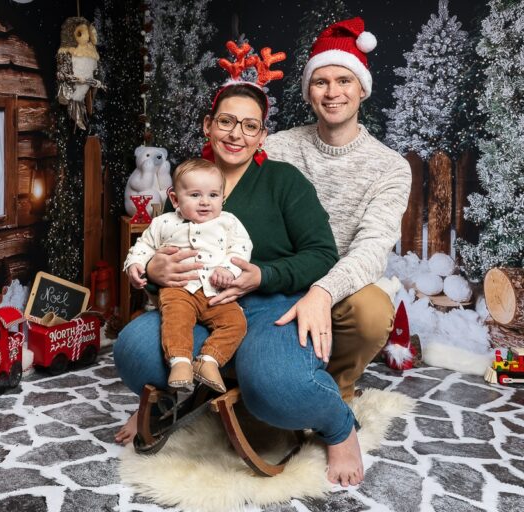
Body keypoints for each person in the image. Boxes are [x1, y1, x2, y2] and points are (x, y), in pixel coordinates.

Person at [113, 72, 373, 484]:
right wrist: (151, 270)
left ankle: (338, 425)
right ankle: (177, 391)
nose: (237, 134)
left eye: (250, 126)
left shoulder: (284, 182)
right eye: (226, 121)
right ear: (208, 125)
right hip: (198, 304)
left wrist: (263, 276)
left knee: (274, 391)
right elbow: (159, 245)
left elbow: (323, 254)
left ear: (261, 135)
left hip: (270, 304)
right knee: (133, 351)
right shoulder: (186, 181)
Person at [263, 17, 411, 408]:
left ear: (362, 89)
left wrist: (323, 291)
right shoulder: (277, 149)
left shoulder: (390, 166)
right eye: (320, 82)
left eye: (344, 81)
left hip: (341, 289)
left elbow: (372, 249)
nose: (332, 93)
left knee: (373, 312)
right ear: (308, 91)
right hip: (280, 276)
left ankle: (337, 386)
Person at [124, 158, 253, 393]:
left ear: (222, 197)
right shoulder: (164, 222)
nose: (205, 202)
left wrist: (228, 269)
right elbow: (144, 246)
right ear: (175, 199)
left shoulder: (228, 222)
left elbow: (242, 248)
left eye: (213, 195)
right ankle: (180, 362)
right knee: (176, 320)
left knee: (236, 323)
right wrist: (134, 264)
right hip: (179, 288)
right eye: (195, 195)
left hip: (216, 292)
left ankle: (209, 360)